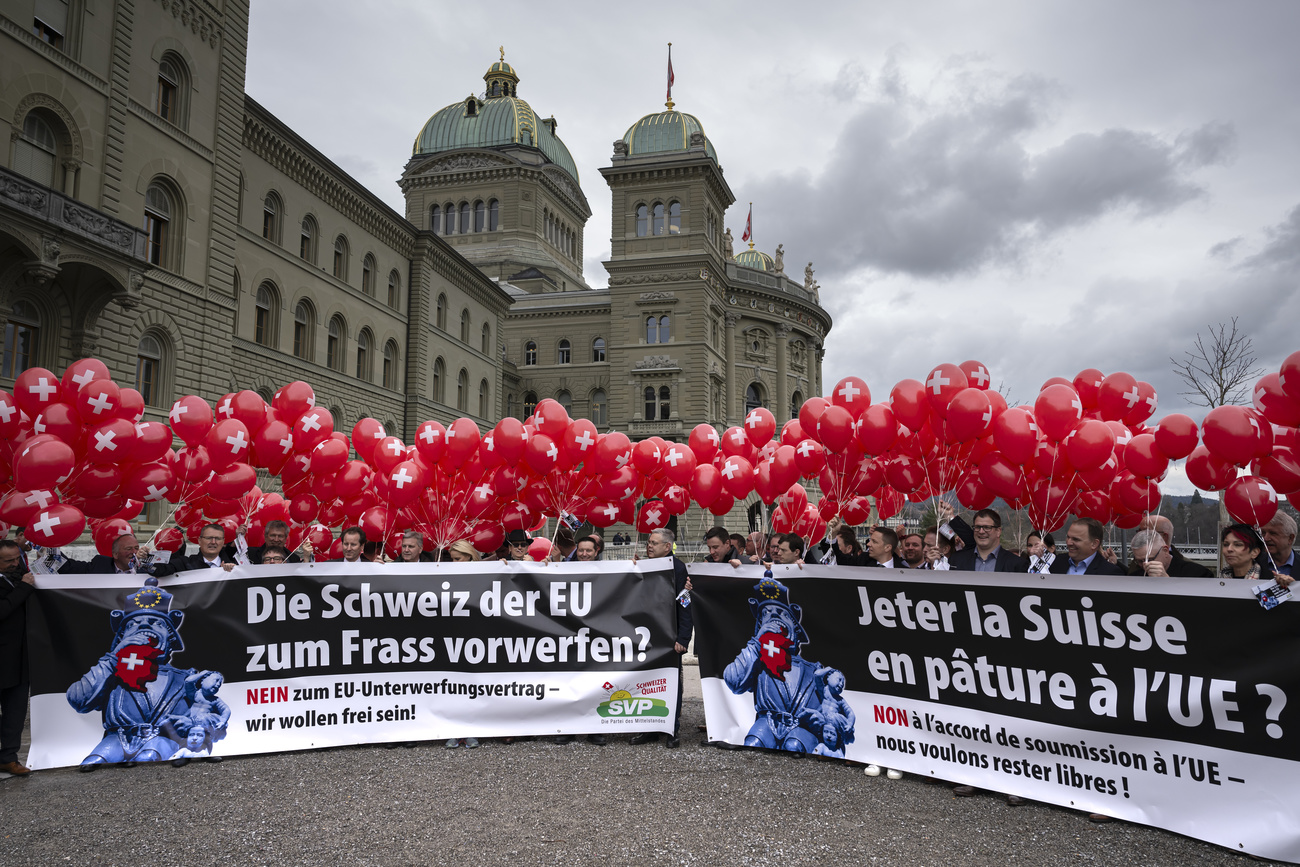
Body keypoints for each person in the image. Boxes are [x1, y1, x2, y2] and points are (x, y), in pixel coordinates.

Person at [630, 528, 691, 749]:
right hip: (645, 636)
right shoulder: (642, 565)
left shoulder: (678, 568)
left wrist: (683, 637)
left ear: (667, 547)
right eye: (648, 542)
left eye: (654, 543)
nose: (649, 546)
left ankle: (671, 729)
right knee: (645, 682)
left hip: (669, 637)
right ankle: (649, 727)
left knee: (670, 683)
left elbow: (685, 603)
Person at [0, 540, 35, 776]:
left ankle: (8, 757)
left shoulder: (22, 575)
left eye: (17, 558)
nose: (15, 564)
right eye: (9, 561)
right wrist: (24, 588)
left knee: (15, 710)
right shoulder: (22, 583)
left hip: (20, 657)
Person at [59, 533, 177, 576]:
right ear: (115, 555)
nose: (134, 552)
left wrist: (147, 560)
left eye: (136, 548)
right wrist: (47, 548)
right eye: (128, 549)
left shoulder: (146, 568)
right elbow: (68, 566)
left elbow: (171, 569)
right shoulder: (100, 565)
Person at [948, 510, 1028, 572]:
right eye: (977, 527)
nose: (981, 531)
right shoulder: (957, 559)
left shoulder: (1017, 564)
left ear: (998, 531)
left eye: (987, 527)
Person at [1049, 518, 1125, 575]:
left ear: (1094, 544)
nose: (1069, 543)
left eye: (1076, 539)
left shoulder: (1109, 573)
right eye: (1068, 537)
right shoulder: (1055, 562)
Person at [1126, 530, 1212, 578]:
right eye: (1139, 561)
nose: (1145, 564)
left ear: (1165, 550)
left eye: (1150, 559)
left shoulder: (1197, 573)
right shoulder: (1136, 576)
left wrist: (1168, 582)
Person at [1261, 512, 1297, 584]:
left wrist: (1295, 587)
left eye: (1273, 533)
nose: (1266, 538)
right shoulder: (1253, 564)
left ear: (1290, 538)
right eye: (1263, 533)